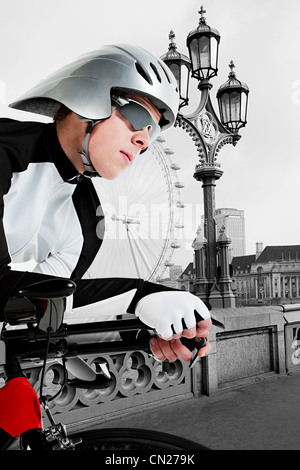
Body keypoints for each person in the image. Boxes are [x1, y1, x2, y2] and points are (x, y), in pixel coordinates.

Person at [0, 44, 211, 364]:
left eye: (152, 134)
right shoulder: (4, 151)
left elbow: (48, 308)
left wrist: (146, 324)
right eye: (137, 116)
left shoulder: (88, 223)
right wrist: (137, 295)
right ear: (86, 96)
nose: (143, 141)